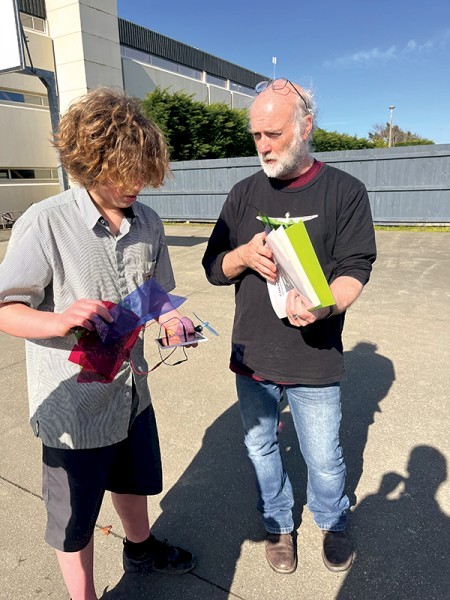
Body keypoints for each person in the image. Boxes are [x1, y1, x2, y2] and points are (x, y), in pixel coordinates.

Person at [0, 87, 196, 600]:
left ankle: (141, 546)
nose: (135, 184)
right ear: (88, 163)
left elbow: (154, 295)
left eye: (143, 171)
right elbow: (5, 310)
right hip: (75, 407)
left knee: (134, 480)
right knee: (74, 517)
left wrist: (170, 321)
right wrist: (59, 319)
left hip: (131, 392)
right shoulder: (44, 223)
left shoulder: (148, 222)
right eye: (121, 172)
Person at [202, 78, 376, 575]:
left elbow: (355, 266)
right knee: (260, 446)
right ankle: (278, 523)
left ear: (306, 125)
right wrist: (242, 255)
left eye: (273, 133)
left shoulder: (345, 191)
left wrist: (325, 306)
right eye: (256, 134)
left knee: (323, 456)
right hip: (252, 353)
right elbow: (214, 267)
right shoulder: (242, 193)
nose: (263, 145)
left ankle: (331, 517)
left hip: (313, 353)